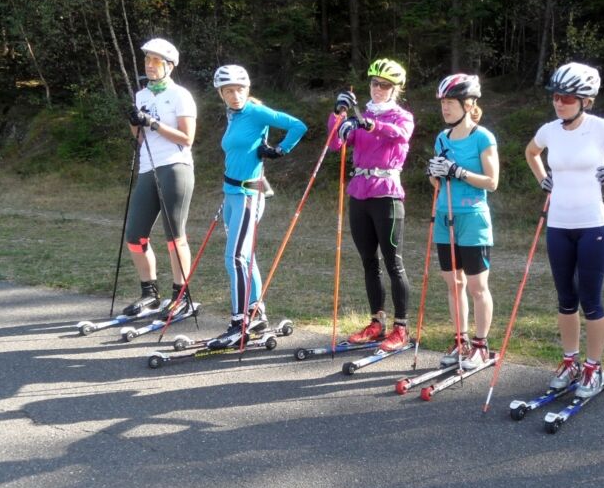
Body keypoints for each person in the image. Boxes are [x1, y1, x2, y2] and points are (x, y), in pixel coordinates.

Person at [524, 62, 604, 399]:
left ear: (586, 100)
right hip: (558, 225)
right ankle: (570, 362)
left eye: (567, 97)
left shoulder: (600, 128)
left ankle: (593, 367)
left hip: (592, 225)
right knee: (566, 300)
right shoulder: (550, 130)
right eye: (555, 96)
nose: (559, 102)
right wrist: (542, 179)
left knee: (590, 300)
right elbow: (531, 152)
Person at [206, 65, 308, 348]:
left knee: (235, 258)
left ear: (247, 89)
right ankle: (256, 314)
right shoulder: (233, 115)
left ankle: (239, 323)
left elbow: (298, 125)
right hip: (232, 196)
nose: (235, 95)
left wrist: (279, 150)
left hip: (250, 195)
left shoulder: (255, 111)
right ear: (221, 94)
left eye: (239, 89)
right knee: (245, 258)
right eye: (228, 90)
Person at [328, 59, 415, 352]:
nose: (378, 89)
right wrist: (338, 113)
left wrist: (370, 124)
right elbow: (335, 144)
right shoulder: (359, 114)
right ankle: (377, 322)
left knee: (393, 262)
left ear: (396, 89)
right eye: (374, 84)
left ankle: (401, 328)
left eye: (385, 85)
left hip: (386, 195)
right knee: (368, 261)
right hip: (359, 193)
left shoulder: (402, 117)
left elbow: (399, 135)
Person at [427, 74, 499, 370]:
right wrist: (434, 172)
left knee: (476, 286)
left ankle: (481, 345)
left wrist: (457, 171)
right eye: (443, 102)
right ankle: (461, 341)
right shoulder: (442, 138)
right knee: (452, 284)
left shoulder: (483, 136)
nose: (445, 108)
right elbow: (436, 183)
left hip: (473, 219)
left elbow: (492, 181)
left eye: (451, 102)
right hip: (445, 216)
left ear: (468, 104)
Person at [125, 38, 197, 319]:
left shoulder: (181, 95)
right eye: (147, 60)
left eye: (156, 61)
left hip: (175, 166)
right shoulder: (141, 95)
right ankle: (149, 293)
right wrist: (135, 122)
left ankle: (181, 294)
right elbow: (140, 139)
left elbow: (187, 138)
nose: (150, 65)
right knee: (134, 235)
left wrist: (153, 122)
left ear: (169, 65)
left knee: (174, 236)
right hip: (148, 167)